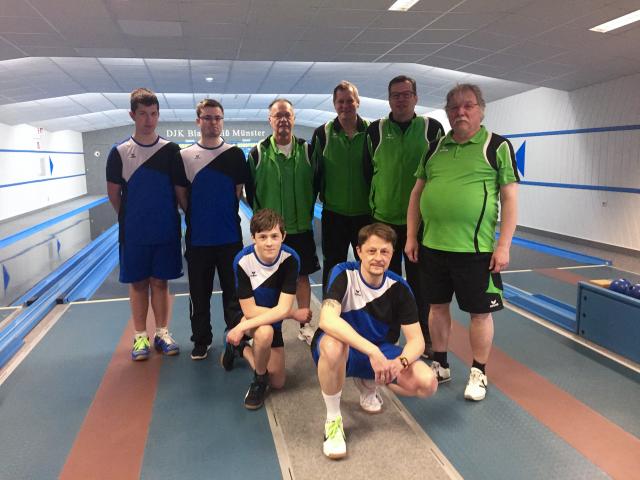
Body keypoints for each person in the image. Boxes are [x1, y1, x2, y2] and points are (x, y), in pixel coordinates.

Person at [405, 83, 519, 401]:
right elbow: (416, 194)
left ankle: (478, 371)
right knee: (437, 307)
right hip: (433, 247)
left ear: (481, 110)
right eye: (454, 107)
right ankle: (441, 364)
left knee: (479, 314)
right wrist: (412, 236)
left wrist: (504, 245)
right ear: (447, 113)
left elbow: (510, 199)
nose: (461, 112)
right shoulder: (434, 148)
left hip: (476, 250)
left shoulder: (496, 146)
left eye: (468, 105)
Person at [311, 223, 437, 459]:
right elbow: (327, 320)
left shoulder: (399, 287)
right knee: (333, 346)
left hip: (380, 351)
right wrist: (373, 352)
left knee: (427, 383)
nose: (378, 257)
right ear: (359, 251)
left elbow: (417, 341)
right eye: (372, 251)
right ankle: (333, 421)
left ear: (392, 254)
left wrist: (399, 363)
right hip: (346, 350)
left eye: (384, 252)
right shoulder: (344, 273)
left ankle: (371, 381)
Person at [363, 75, 444, 357]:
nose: (401, 99)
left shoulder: (432, 128)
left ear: (416, 98)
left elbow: (439, 170)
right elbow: (367, 171)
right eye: (396, 95)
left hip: (420, 222)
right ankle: (387, 333)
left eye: (406, 94)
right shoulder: (375, 130)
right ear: (389, 100)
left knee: (420, 283)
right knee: (384, 280)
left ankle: (423, 334)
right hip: (383, 220)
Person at [106, 87, 182, 361]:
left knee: (160, 282)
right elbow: (114, 194)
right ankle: (140, 336)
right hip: (135, 232)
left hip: (165, 229)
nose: (149, 120)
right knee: (138, 283)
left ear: (158, 115)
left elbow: (179, 190)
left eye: (153, 113)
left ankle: (162, 333)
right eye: (143, 114)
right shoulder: (119, 152)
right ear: (132, 115)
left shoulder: (171, 150)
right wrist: (131, 217)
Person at [175, 98, 249, 360]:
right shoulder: (185, 156)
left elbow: (237, 192)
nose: (213, 122)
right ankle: (201, 340)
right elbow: (181, 195)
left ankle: (236, 337)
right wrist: (199, 217)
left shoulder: (235, 154)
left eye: (217, 118)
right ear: (198, 121)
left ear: (222, 121)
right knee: (199, 293)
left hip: (229, 237)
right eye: (207, 117)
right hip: (198, 239)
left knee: (234, 293)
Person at [246, 98, 318, 345]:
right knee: (267, 279)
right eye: (278, 116)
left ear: (294, 118)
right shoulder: (257, 153)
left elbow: (317, 183)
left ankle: (305, 326)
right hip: (270, 231)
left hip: (300, 227)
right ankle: (265, 326)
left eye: (287, 115)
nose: (283, 120)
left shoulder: (307, 151)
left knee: (302, 277)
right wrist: (263, 224)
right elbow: (250, 192)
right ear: (270, 120)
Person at [225, 209, 307, 410]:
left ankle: (240, 348)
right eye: (263, 237)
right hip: (242, 313)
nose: (269, 243)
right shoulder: (243, 260)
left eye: (274, 236)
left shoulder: (291, 259)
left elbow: (283, 308)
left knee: (278, 382)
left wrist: (285, 312)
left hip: (270, 316)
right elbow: (250, 311)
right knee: (264, 332)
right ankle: (259, 379)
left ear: (283, 236)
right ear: (253, 237)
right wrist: (240, 326)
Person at [311, 81, 371, 296]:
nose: (345, 106)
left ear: (358, 102)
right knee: (333, 265)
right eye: (340, 101)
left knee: (368, 265)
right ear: (334, 104)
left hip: (366, 213)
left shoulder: (372, 132)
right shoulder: (322, 133)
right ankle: (330, 308)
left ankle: (366, 306)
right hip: (334, 214)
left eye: (350, 101)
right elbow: (314, 172)